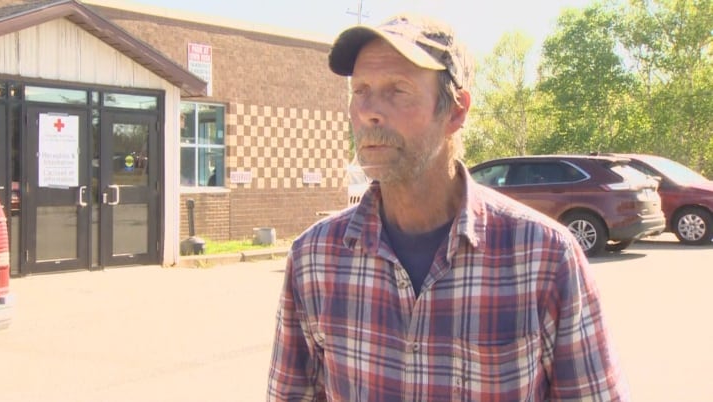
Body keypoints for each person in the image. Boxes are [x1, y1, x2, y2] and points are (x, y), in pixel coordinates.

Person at [267, 13, 629, 401]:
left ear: (456, 110)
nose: (369, 111)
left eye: (397, 90)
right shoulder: (314, 258)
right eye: (361, 90)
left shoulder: (545, 258)